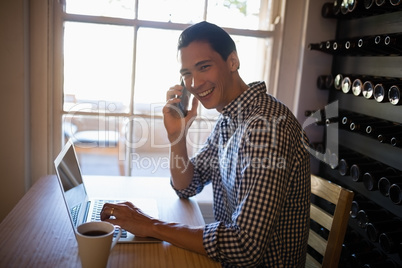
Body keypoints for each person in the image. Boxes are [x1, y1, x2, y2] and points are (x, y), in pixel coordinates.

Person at [101, 21, 311, 267]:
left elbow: (245, 247)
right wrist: (176, 137)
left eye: (204, 67)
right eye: (186, 73)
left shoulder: (266, 127)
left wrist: (150, 225)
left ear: (233, 61)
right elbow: (187, 186)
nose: (194, 83)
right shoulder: (230, 119)